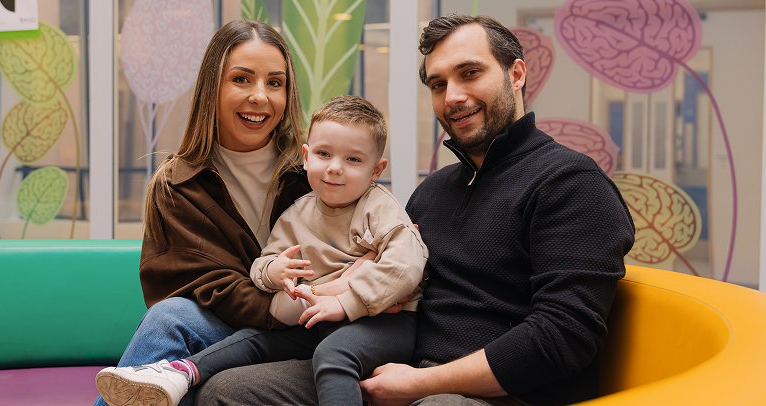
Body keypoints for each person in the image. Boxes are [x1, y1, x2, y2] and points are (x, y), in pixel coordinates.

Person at [195, 14, 636, 406]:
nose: (453, 96)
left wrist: (419, 384)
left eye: (470, 73)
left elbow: (562, 339)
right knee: (227, 391)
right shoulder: (436, 190)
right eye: (438, 84)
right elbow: (392, 277)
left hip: (497, 394)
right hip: (396, 362)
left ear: (516, 74)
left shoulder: (570, 183)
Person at [96, 95, 428, 406]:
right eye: (324, 155)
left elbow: (407, 264)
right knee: (254, 341)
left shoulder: (378, 207)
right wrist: (272, 272)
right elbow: (263, 263)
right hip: (316, 319)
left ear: (376, 170)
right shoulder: (298, 212)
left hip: (384, 324)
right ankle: (179, 373)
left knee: (334, 356)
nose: (335, 167)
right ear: (307, 156)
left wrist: (347, 300)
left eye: (353, 159)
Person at [90, 19, 313, 406]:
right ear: (213, 87)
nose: (260, 96)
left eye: (274, 83)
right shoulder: (177, 184)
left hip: (311, 324)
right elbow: (207, 288)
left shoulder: (316, 171)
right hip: (235, 324)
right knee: (173, 321)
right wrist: (280, 307)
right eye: (242, 79)